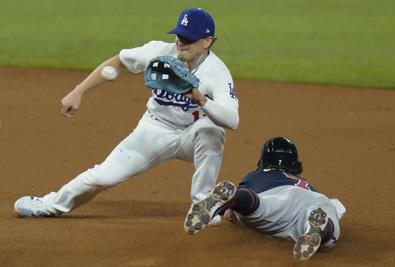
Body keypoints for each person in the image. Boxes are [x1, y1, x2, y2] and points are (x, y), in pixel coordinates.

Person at [14, 8, 239, 225]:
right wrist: (78, 91)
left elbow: (232, 120)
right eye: (179, 35)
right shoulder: (159, 52)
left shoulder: (217, 72)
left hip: (193, 134)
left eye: (188, 39)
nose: (181, 42)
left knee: (211, 130)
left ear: (207, 41)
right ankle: (51, 204)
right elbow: (119, 61)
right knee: (104, 177)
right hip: (155, 128)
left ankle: (203, 205)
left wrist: (201, 100)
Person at [184, 137, 346, 261]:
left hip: (277, 197)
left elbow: (231, 215)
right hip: (317, 199)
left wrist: (230, 213)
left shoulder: (256, 176)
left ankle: (234, 197)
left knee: (259, 206)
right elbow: (339, 207)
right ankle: (320, 227)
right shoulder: (305, 183)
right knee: (327, 228)